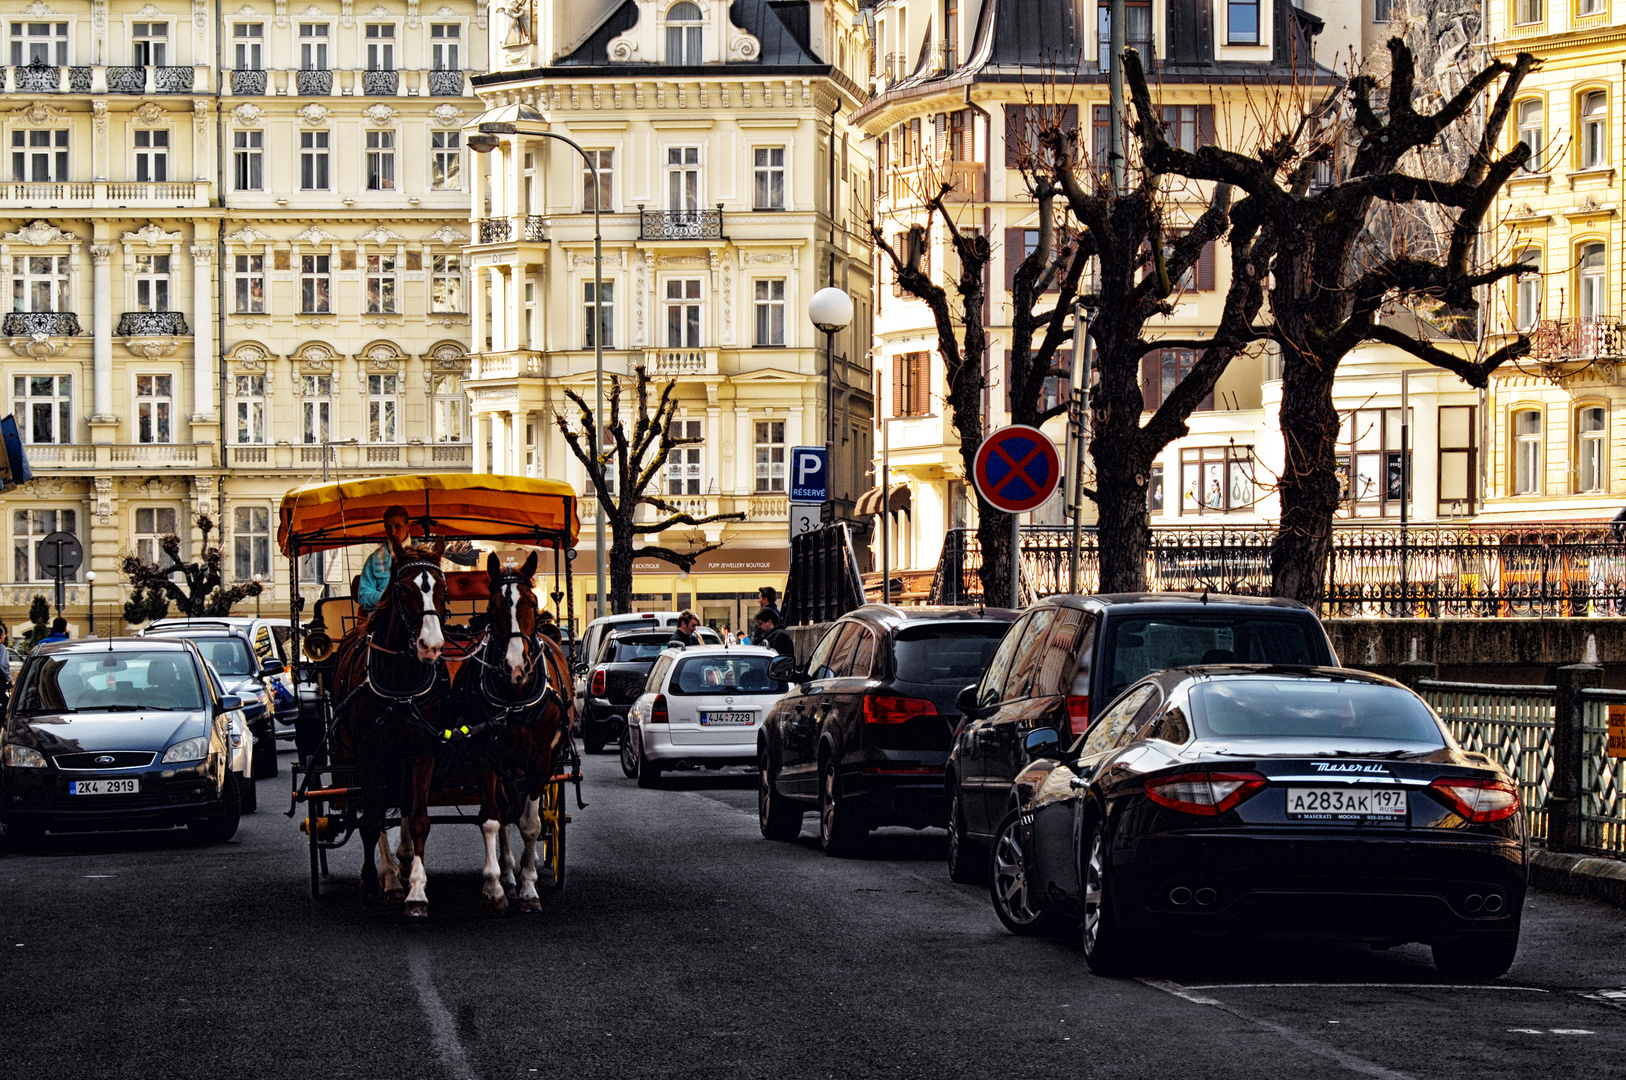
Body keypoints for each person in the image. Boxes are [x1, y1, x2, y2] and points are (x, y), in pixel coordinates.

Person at [357, 505, 413, 613]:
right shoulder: (374, 560)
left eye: (398, 526)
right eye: (388, 527)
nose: (393, 532)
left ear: (407, 526)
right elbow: (363, 597)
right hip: (383, 618)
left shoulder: (424, 557)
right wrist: (388, 596)